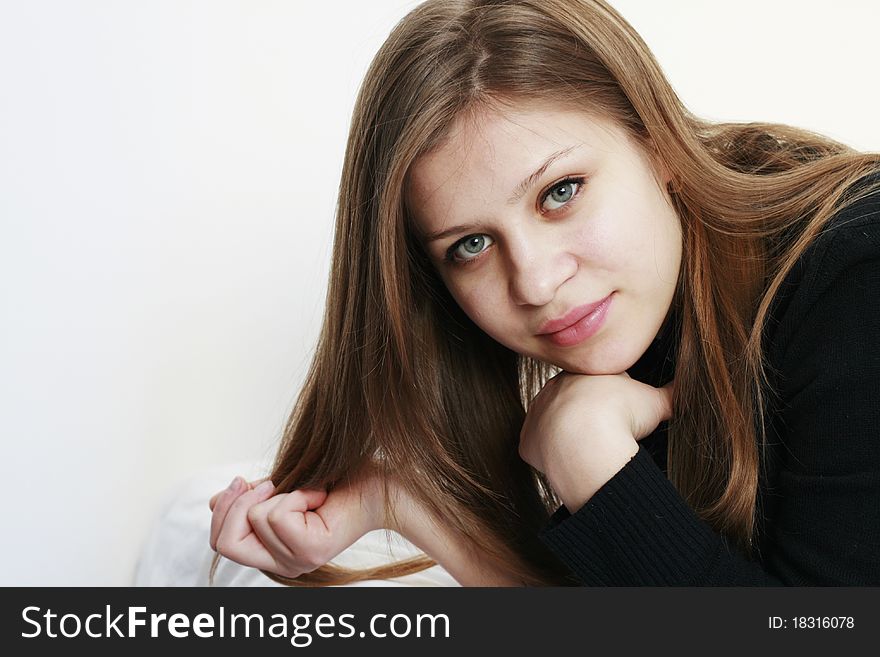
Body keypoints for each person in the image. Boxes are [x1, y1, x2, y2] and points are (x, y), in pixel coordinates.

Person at [207, 0, 880, 586]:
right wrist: (404, 501)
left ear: (658, 143)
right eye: (470, 245)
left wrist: (592, 460)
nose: (534, 281)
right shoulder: (644, 322)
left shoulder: (856, 270)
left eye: (560, 192)